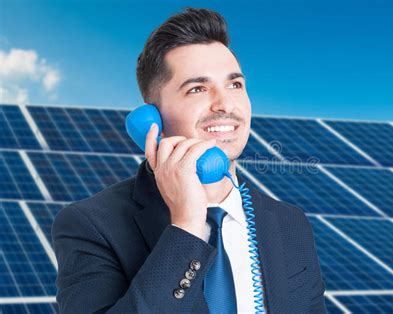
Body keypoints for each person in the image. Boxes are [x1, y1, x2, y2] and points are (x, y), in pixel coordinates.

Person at [52, 7, 326, 313]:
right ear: (151, 118)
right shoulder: (91, 226)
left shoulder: (290, 224)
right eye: (198, 89)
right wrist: (186, 229)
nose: (225, 104)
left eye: (235, 85)